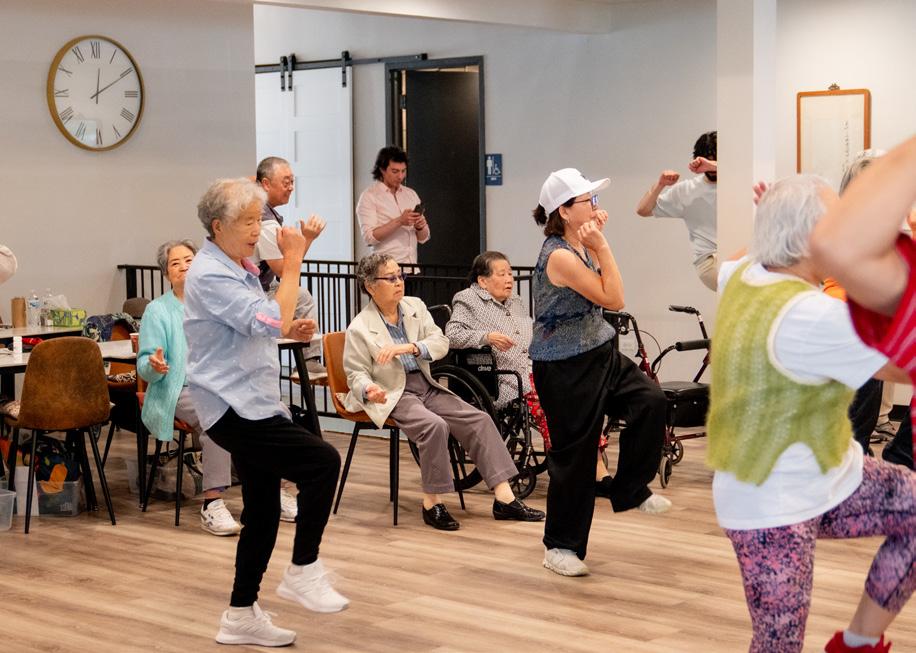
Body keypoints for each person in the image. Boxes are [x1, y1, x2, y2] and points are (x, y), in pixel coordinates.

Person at [708, 174, 915, 653]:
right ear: (810, 240)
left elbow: (734, 261)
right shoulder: (811, 315)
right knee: (779, 643)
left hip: (832, 475)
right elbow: (904, 361)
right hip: (771, 505)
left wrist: (776, 214)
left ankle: (857, 643)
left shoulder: (743, 273)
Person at [185, 178, 347, 647]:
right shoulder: (209, 273)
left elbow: (263, 323)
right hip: (232, 406)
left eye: (259, 219)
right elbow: (269, 318)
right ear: (218, 226)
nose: (258, 229)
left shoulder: (238, 265)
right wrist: (294, 262)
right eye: (247, 222)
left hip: (253, 400)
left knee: (262, 510)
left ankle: (240, 614)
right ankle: (303, 569)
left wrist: (287, 328)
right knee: (322, 462)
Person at [530, 168, 669, 578]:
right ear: (563, 211)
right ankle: (560, 547)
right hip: (564, 365)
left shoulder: (579, 243)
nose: (595, 206)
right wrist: (602, 245)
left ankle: (629, 488)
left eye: (594, 199)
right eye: (587, 200)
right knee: (575, 456)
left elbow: (607, 293)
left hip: (598, 350)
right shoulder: (559, 255)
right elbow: (615, 296)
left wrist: (594, 241)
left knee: (651, 401)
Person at [342, 252, 544, 531]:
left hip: (426, 383)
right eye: (390, 278)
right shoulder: (360, 328)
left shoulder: (414, 306)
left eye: (400, 275)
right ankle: (432, 503)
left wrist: (413, 347)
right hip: (394, 392)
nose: (399, 282)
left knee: (479, 419)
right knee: (434, 426)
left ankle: (504, 499)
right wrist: (369, 389)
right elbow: (355, 373)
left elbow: (441, 341)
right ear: (370, 286)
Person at [444, 250, 615, 497]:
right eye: (501, 274)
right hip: (503, 377)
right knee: (553, 404)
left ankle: (596, 470)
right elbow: (452, 335)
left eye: (510, 273)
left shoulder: (516, 301)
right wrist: (486, 337)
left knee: (580, 397)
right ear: (482, 280)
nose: (509, 279)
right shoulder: (467, 299)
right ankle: (581, 471)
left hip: (535, 367)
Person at [812, 136, 916, 471]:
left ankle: (890, 455)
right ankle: (858, 459)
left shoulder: (901, 219)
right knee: (862, 389)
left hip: (879, 316)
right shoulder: (840, 224)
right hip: (849, 315)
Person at [136, 239, 240, 536]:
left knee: (266, 413)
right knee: (217, 419)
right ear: (166, 273)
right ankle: (212, 503)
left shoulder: (214, 303)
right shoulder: (158, 311)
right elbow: (144, 364)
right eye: (175, 263)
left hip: (220, 385)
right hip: (177, 389)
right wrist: (154, 367)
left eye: (189, 260)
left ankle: (273, 491)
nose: (183, 267)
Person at [251, 156, 326, 522]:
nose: (291, 186)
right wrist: (306, 240)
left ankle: (307, 357)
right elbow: (285, 268)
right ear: (264, 183)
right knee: (300, 296)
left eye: (293, 180)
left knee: (303, 297)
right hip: (259, 299)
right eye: (286, 180)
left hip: (266, 297)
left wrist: (301, 243)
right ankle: (309, 360)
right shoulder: (264, 221)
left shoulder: (270, 217)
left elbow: (289, 264)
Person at [635, 131, 718, 290]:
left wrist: (714, 165)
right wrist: (660, 184)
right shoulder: (687, 190)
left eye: (715, 159)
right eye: (708, 159)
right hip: (710, 260)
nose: (711, 165)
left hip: (736, 255)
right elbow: (642, 210)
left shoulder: (738, 181)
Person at [355, 146, 430, 264]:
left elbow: (423, 238)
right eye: (395, 171)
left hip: (411, 267)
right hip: (384, 269)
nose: (400, 176)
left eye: (403, 171)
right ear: (382, 169)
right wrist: (400, 221)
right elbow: (369, 238)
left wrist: (420, 227)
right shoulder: (369, 196)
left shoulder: (411, 194)